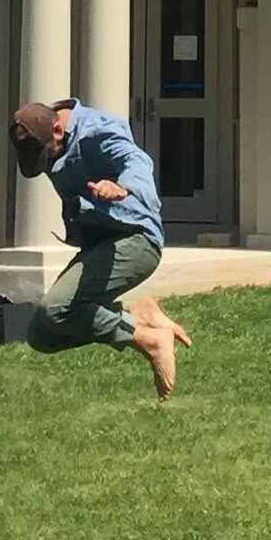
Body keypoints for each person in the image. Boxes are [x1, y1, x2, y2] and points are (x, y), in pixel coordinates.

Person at [11, 97, 192, 398]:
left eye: (47, 154)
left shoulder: (98, 132)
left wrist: (122, 187)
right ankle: (140, 316)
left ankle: (151, 340)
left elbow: (137, 161)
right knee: (42, 335)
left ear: (57, 130)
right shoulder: (45, 127)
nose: (47, 163)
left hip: (136, 238)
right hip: (99, 242)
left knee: (56, 309)